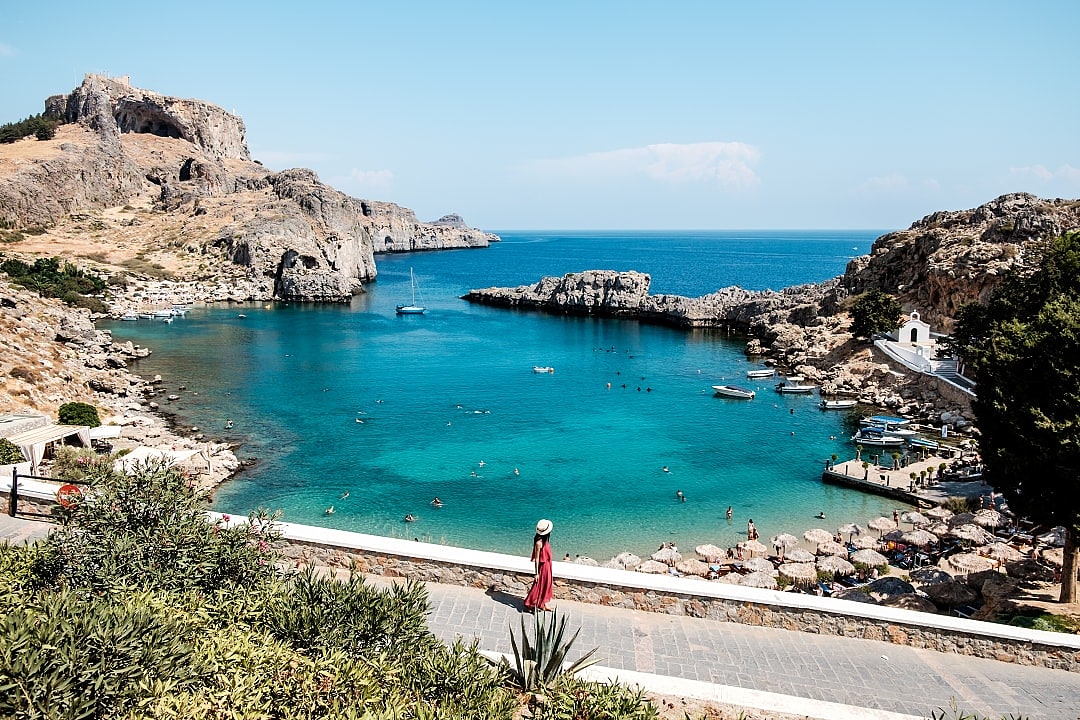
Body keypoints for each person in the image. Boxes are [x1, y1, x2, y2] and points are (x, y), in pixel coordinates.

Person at [524, 519, 554, 612]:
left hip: (548, 565)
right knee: (538, 586)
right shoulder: (539, 543)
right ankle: (530, 603)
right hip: (543, 567)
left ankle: (543, 604)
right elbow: (537, 558)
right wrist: (536, 573)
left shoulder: (545, 540)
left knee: (547, 585)